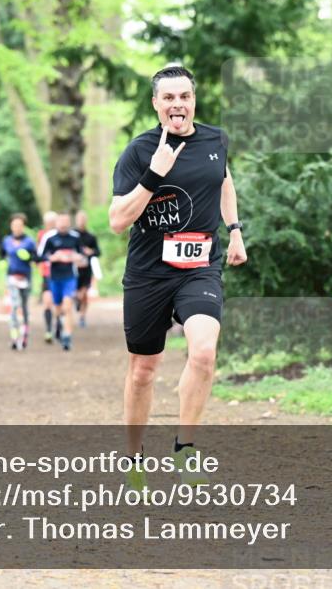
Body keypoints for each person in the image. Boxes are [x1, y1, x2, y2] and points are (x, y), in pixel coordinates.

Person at [109, 66, 247, 487]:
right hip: (149, 274)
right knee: (143, 371)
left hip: (199, 267)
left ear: (193, 99)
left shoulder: (215, 140)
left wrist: (235, 230)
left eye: (184, 96)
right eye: (168, 98)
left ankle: (185, 448)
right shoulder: (138, 152)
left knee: (204, 352)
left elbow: (223, 180)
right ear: (156, 104)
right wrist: (155, 173)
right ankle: (134, 458)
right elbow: (117, 220)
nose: (177, 105)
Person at [38, 212, 85, 351]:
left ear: (69, 223)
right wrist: (54, 257)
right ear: (56, 223)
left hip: (70, 277)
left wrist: (76, 258)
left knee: (67, 306)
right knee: (57, 308)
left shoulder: (75, 238)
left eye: (66, 221)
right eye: (61, 221)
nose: (63, 224)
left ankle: (67, 336)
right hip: (54, 277)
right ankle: (58, 324)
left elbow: (82, 257)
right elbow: (40, 257)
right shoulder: (50, 238)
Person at [1, 213, 37, 350]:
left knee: (24, 306)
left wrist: (28, 257)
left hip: (25, 277)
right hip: (11, 277)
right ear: (11, 226)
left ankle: (25, 334)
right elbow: (3, 255)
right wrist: (3, 263)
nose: (17, 228)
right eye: (14, 225)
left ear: (23, 227)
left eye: (19, 225)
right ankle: (14, 336)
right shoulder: (6, 240)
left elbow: (36, 258)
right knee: (15, 305)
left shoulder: (29, 241)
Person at [73, 210, 101, 328]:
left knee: (84, 293)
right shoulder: (72, 235)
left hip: (86, 269)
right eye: (79, 219)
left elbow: (98, 252)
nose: (81, 222)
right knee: (76, 293)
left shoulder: (91, 236)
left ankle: (82, 317)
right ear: (76, 220)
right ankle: (77, 301)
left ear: (86, 221)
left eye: (83, 219)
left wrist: (91, 252)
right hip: (73, 268)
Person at [36, 210, 59, 343]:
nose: (50, 225)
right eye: (48, 223)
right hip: (46, 273)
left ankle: (59, 327)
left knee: (58, 303)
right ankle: (49, 330)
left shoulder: (62, 235)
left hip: (61, 274)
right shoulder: (42, 235)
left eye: (52, 222)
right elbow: (39, 253)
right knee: (47, 302)